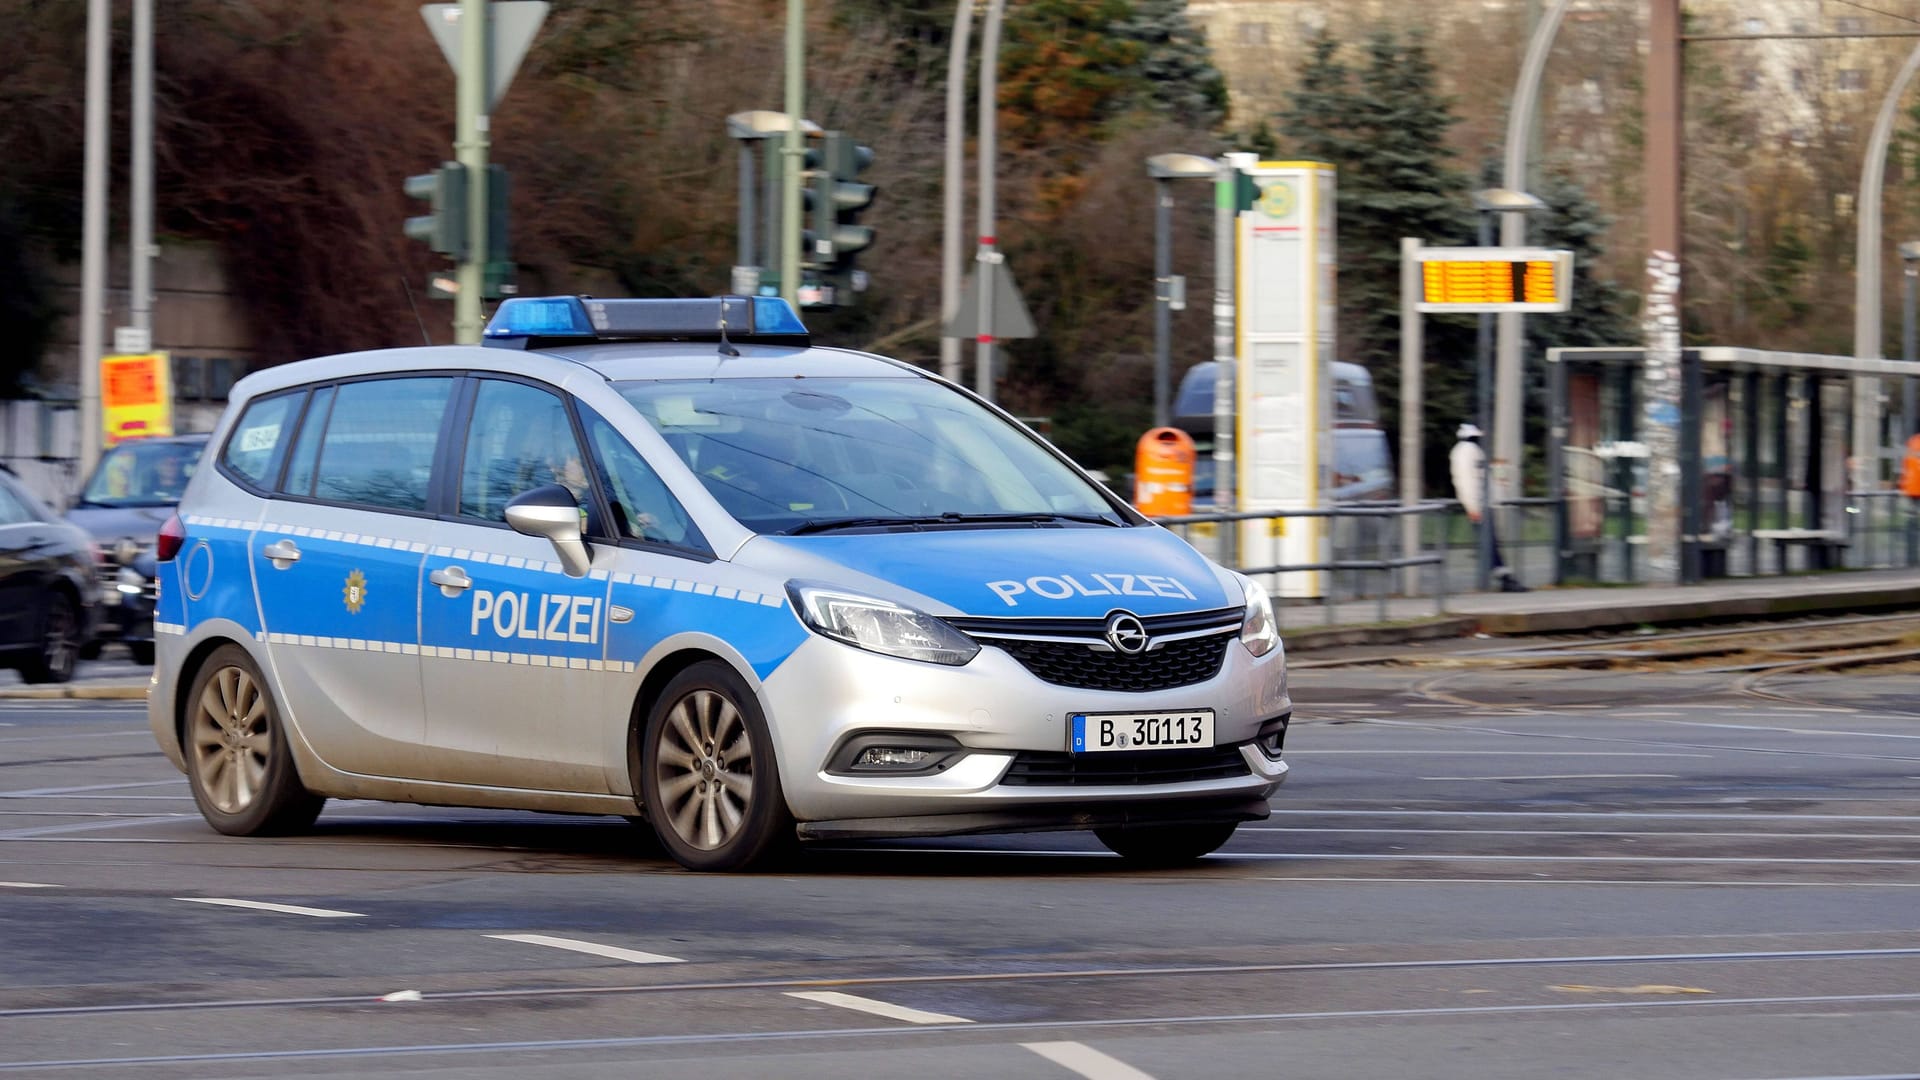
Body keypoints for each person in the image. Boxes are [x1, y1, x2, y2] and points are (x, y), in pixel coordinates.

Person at [1450, 422, 1527, 593]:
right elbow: (1466, 482)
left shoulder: (1470, 452)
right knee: (1490, 543)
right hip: (1479, 505)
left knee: (1490, 543)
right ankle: (1505, 579)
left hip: (1482, 504)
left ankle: (1503, 577)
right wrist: (1473, 507)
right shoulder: (1467, 452)